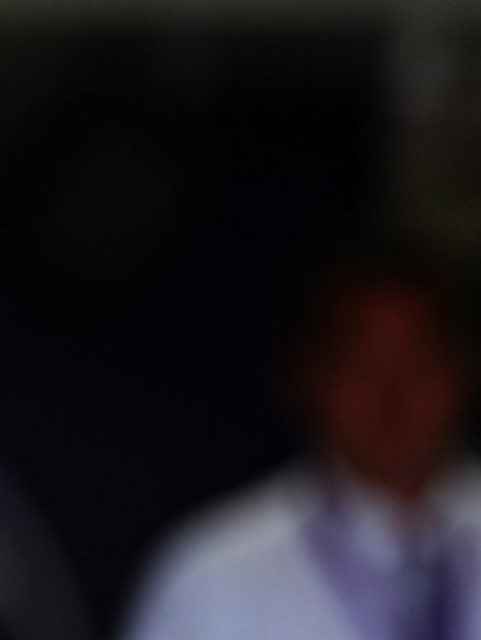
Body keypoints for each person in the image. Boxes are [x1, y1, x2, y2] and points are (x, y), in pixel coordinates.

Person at [123, 242, 481, 640]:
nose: (393, 393)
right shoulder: (212, 574)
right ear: (309, 376)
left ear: (464, 368)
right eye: (363, 363)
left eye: (417, 359)